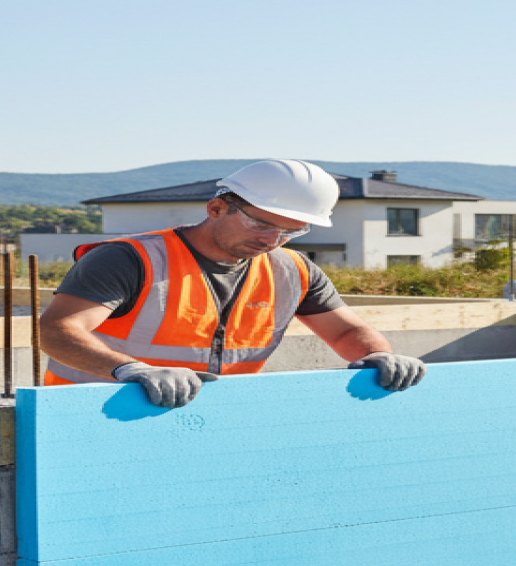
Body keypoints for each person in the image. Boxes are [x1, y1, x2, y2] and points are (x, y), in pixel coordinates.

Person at [38, 159, 427, 407]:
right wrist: (132, 370)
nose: (271, 240)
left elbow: (347, 331)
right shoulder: (129, 259)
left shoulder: (293, 270)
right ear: (216, 207)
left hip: (211, 420)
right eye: (260, 223)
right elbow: (58, 330)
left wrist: (378, 354)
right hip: (95, 416)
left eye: (290, 231)